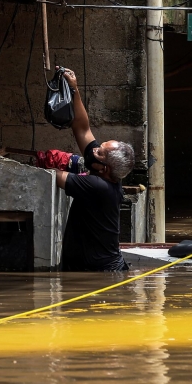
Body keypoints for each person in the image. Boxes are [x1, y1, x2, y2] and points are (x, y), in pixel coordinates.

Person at [54, 67, 135, 272]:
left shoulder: (98, 185)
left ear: (104, 168)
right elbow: (82, 128)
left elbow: (53, 176)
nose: (94, 150)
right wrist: (74, 89)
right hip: (97, 268)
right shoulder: (107, 175)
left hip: (101, 273)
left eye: (99, 152)